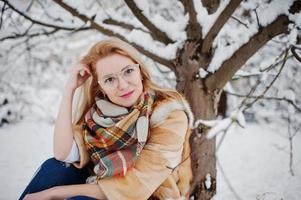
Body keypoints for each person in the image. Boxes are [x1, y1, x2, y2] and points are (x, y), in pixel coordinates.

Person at [19, 37, 193, 200]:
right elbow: (62, 153)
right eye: (110, 79)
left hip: (146, 195)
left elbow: (134, 187)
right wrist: (69, 89)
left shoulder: (169, 115)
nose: (123, 85)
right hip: (101, 184)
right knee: (54, 169)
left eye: (128, 71)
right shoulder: (98, 116)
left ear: (139, 71)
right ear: (100, 87)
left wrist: (53, 193)